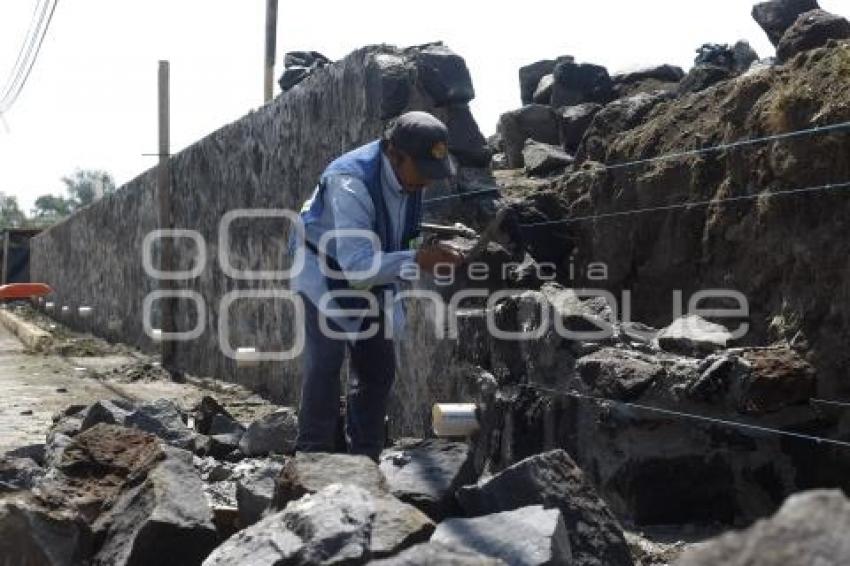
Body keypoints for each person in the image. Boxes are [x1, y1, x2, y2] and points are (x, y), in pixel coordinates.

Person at [290, 110, 464, 460]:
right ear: (394, 154)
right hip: (323, 269)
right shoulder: (350, 182)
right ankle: (311, 459)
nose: (427, 184)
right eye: (423, 173)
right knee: (325, 363)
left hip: (369, 269)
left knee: (377, 366)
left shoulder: (409, 178)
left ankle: (366, 460)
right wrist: (418, 260)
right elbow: (357, 267)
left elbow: (395, 237)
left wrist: (426, 250)